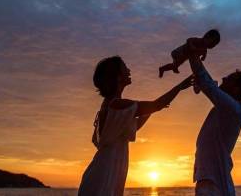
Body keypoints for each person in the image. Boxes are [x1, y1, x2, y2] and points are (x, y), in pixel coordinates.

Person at [77, 56, 192, 196]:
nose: (129, 70)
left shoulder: (110, 106)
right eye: (125, 67)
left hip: (104, 175)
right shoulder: (117, 104)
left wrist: (151, 111)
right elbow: (156, 104)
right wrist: (180, 87)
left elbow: (135, 125)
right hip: (103, 179)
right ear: (117, 76)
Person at [188, 47, 241, 196]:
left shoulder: (232, 109)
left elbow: (209, 85)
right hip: (211, 180)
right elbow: (208, 83)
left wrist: (192, 53)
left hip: (213, 184)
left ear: (236, 90)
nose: (223, 79)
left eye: (229, 79)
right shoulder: (227, 109)